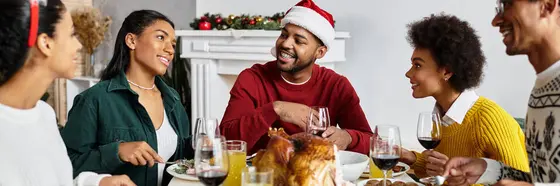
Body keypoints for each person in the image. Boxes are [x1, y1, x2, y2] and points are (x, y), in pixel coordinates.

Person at [443, 0, 560, 185]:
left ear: (547, 6)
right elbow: (545, 178)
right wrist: (489, 170)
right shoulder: (542, 89)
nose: (496, 20)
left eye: (507, 5)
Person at [0, 0, 135, 185]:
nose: (78, 45)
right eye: (72, 34)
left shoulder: (44, 114)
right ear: (46, 43)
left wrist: (97, 182)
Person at [219, 0, 373, 155]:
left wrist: (349, 138)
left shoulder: (336, 85)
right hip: (262, 175)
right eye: (284, 35)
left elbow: (372, 142)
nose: (285, 44)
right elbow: (224, 141)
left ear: (320, 52)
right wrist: (276, 109)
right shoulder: (252, 78)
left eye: (299, 41)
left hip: (313, 174)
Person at [60, 10, 191, 186]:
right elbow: (66, 165)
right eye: (161, 37)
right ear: (131, 40)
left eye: (173, 44)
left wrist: (203, 147)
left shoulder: (173, 99)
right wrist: (117, 151)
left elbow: (181, 162)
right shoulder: (94, 99)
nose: (169, 50)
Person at [400, 13, 529, 179]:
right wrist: (411, 158)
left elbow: (518, 183)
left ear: (446, 71)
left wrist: (459, 177)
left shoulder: (489, 120)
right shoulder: (442, 117)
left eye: (417, 65)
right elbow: (442, 172)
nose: (408, 73)